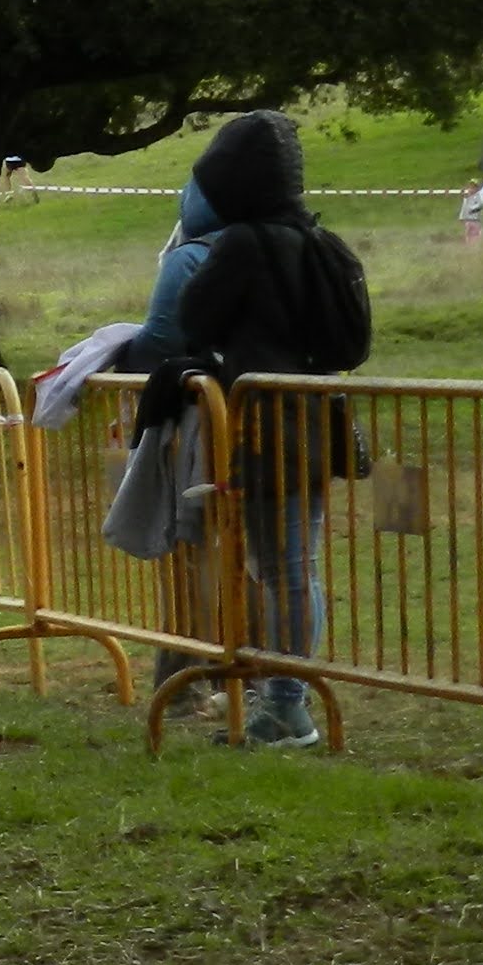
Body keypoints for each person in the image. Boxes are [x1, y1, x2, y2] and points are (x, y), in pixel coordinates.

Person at [164, 109, 374, 747]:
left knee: (283, 565)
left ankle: (287, 704)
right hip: (315, 419)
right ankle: (287, 698)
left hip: (265, 426)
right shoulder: (319, 241)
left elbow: (194, 319)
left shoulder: (246, 244)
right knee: (292, 563)